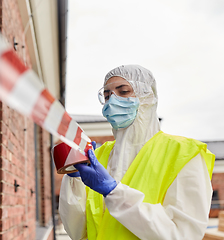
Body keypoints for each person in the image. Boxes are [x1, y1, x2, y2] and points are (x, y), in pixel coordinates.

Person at [58, 65, 215, 240]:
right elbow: (78, 231)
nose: (112, 102)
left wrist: (114, 192)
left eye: (123, 92)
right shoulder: (99, 156)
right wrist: (75, 183)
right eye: (107, 96)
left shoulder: (184, 154)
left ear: (148, 96)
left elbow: (182, 234)